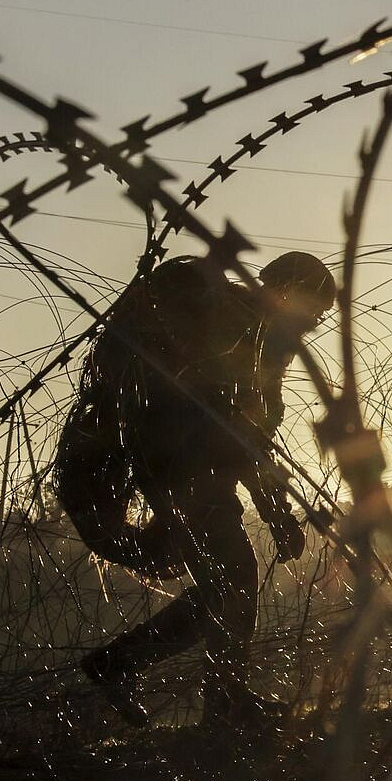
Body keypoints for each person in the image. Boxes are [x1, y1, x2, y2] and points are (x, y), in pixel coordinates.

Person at [59, 251, 332, 728]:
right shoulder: (242, 326)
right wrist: (276, 513)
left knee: (224, 584)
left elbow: (250, 437)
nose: (314, 323)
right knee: (234, 576)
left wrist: (276, 511)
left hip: (181, 466)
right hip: (184, 469)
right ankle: (219, 701)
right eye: (315, 310)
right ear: (289, 292)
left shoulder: (249, 326)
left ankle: (124, 665)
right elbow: (247, 435)